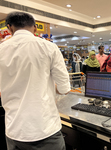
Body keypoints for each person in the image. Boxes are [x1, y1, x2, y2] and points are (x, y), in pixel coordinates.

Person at [0, 12, 70, 150]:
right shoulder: (49, 47)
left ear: (9, 28)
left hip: (14, 129)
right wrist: (51, 87)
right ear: (35, 28)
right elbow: (64, 88)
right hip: (44, 128)